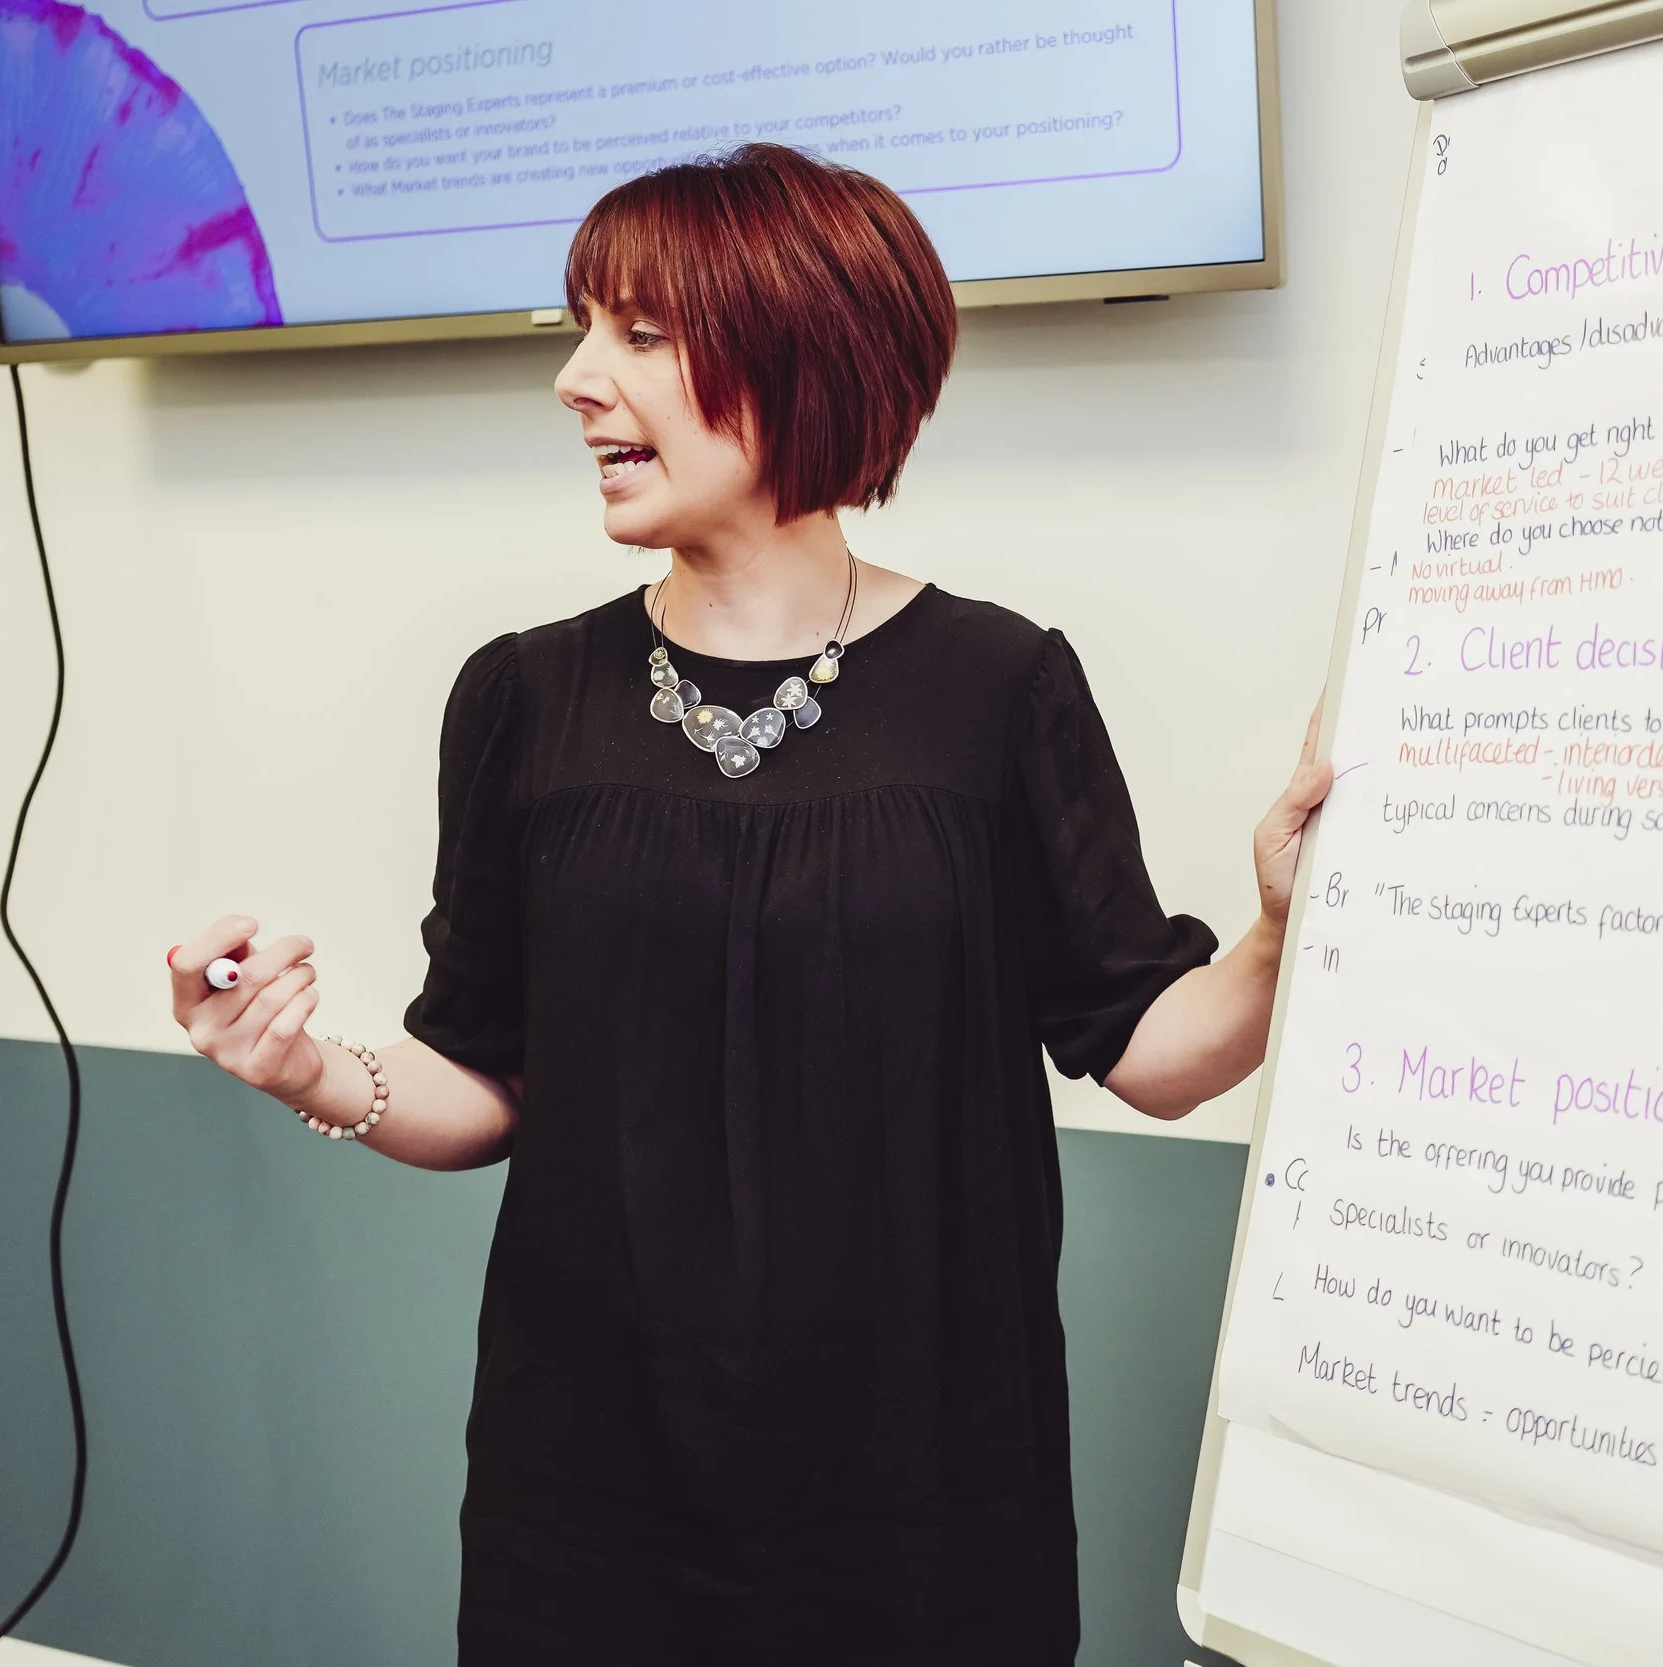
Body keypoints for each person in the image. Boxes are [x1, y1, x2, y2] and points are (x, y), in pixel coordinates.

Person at [165, 143, 1331, 1665]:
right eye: (582, 329)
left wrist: (1279, 930)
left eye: (639, 333)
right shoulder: (522, 696)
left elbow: (1145, 1045)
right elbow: (486, 1079)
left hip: (922, 1495)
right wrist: (304, 1065)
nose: (579, 381)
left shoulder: (999, 686)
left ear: (806, 350)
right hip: (587, 1488)